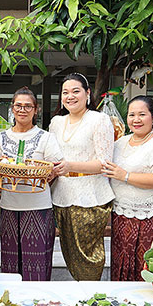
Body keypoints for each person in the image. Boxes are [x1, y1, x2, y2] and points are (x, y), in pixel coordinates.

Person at [101, 95, 153, 281]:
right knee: (121, 262)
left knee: (147, 263)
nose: (136, 119)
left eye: (142, 114)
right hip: (121, 214)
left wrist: (125, 176)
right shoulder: (120, 143)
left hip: (149, 215)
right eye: (131, 115)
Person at [49, 72, 115, 281]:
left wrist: (70, 166)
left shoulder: (100, 119)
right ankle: (78, 296)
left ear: (87, 93)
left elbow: (105, 163)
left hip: (89, 197)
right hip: (60, 194)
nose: (70, 96)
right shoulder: (56, 122)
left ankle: (91, 297)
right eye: (65, 92)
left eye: (76, 91)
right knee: (69, 253)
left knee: (88, 257)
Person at [0, 87, 62, 281]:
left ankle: (37, 304)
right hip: (9, 205)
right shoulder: (2, 138)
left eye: (27, 106)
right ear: (12, 108)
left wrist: (45, 176)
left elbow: (55, 168)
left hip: (38, 207)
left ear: (36, 109)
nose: (22, 110)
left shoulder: (45, 137)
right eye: (18, 105)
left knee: (37, 262)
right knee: (10, 263)